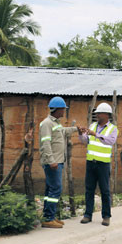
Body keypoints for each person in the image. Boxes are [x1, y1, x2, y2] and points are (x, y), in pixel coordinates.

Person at [77, 102, 118, 226]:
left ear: (107, 115)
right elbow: (86, 141)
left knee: (105, 190)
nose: (97, 115)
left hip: (103, 164)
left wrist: (96, 134)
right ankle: (87, 215)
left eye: (99, 113)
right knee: (89, 189)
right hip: (91, 163)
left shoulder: (113, 129)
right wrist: (81, 133)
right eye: (97, 113)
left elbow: (110, 141)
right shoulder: (93, 125)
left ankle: (106, 216)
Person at [38, 96, 76, 228]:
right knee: (56, 189)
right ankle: (48, 218)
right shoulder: (47, 123)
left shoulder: (55, 123)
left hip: (57, 161)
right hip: (53, 163)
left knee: (50, 190)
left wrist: (76, 129)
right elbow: (46, 143)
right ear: (57, 109)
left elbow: (63, 132)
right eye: (63, 109)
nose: (64, 112)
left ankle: (49, 216)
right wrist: (51, 160)